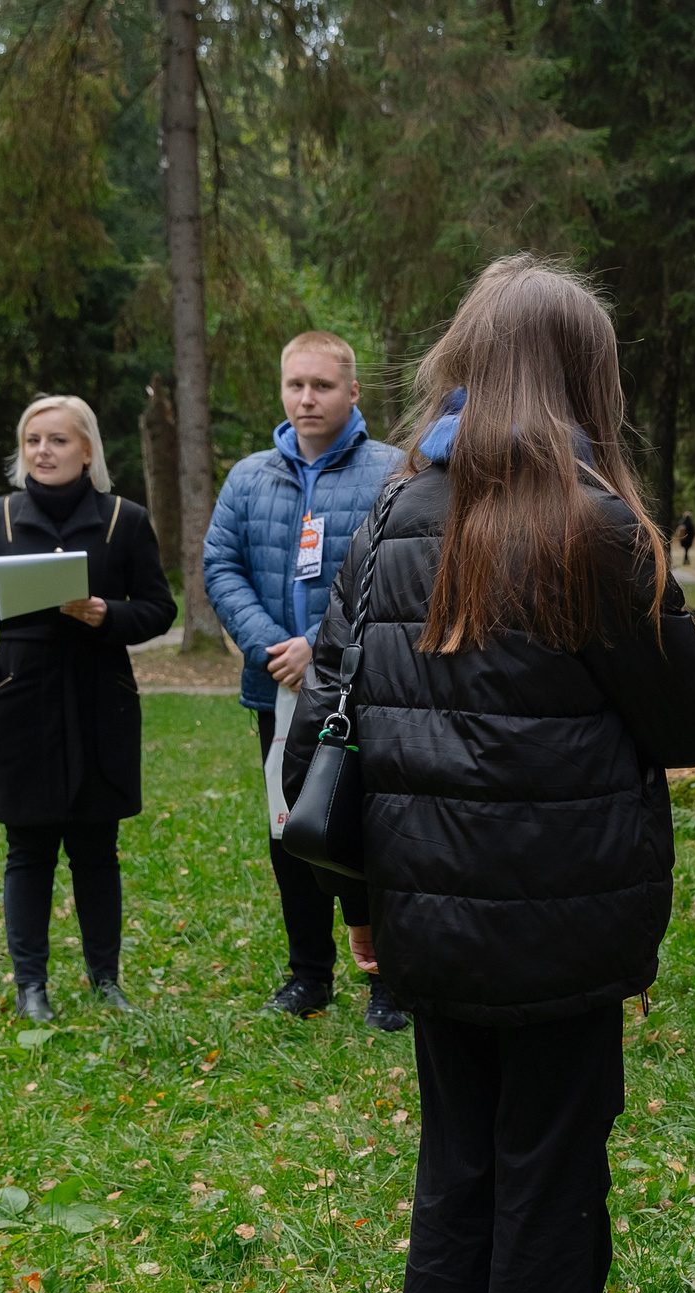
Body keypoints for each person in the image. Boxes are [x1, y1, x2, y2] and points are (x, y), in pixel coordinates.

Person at [286, 256, 695, 1293]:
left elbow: (340, 701)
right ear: (581, 377)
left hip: (426, 919)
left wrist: (363, 904)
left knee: (461, 1168)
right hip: (559, 922)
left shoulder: (398, 510)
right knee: (551, 1180)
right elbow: (683, 715)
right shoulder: (590, 526)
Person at [0, 394, 175, 1021]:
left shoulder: (122, 520)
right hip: (22, 699)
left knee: (96, 848)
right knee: (29, 848)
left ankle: (107, 980)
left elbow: (160, 607)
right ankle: (32, 987)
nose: (43, 452)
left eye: (58, 440)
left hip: (100, 694)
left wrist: (109, 614)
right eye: (33, 441)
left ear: (88, 451)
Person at [203, 331, 406, 1028]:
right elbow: (220, 566)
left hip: (363, 687)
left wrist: (321, 648)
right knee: (290, 828)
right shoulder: (249, 477)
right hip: (279, 690)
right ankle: (308, 975)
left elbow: (399, 574)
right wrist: (269, 646)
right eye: (295, 385)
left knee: (369, 823)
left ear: (353, 392)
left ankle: (390, 981)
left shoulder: (392, 472)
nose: (306, 398)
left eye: (321, 385)